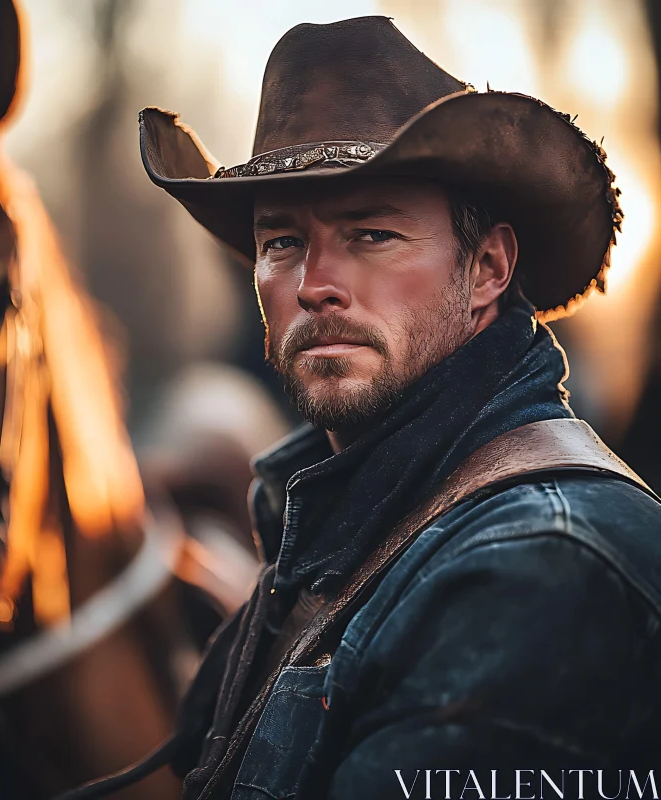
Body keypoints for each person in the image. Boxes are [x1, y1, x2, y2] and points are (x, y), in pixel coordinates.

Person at [131, 16, 661, 800]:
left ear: (486, 270)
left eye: (371, 233)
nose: (313, 282)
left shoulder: (542, 565)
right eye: (279, 242)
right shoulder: (330, 535)